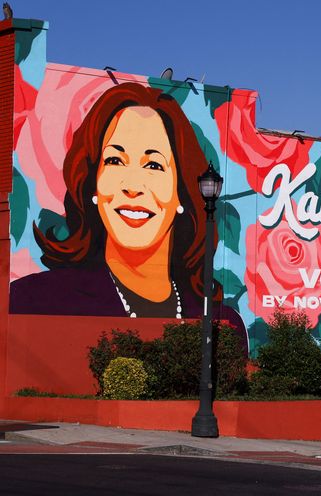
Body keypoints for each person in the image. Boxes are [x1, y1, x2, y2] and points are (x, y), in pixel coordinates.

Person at [11, 82, 244, 334]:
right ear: (94, 185)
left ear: (182, 192)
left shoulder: (222, 322)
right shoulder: (35, 300)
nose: (132, 186)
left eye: (154, 165)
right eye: (115, 160)